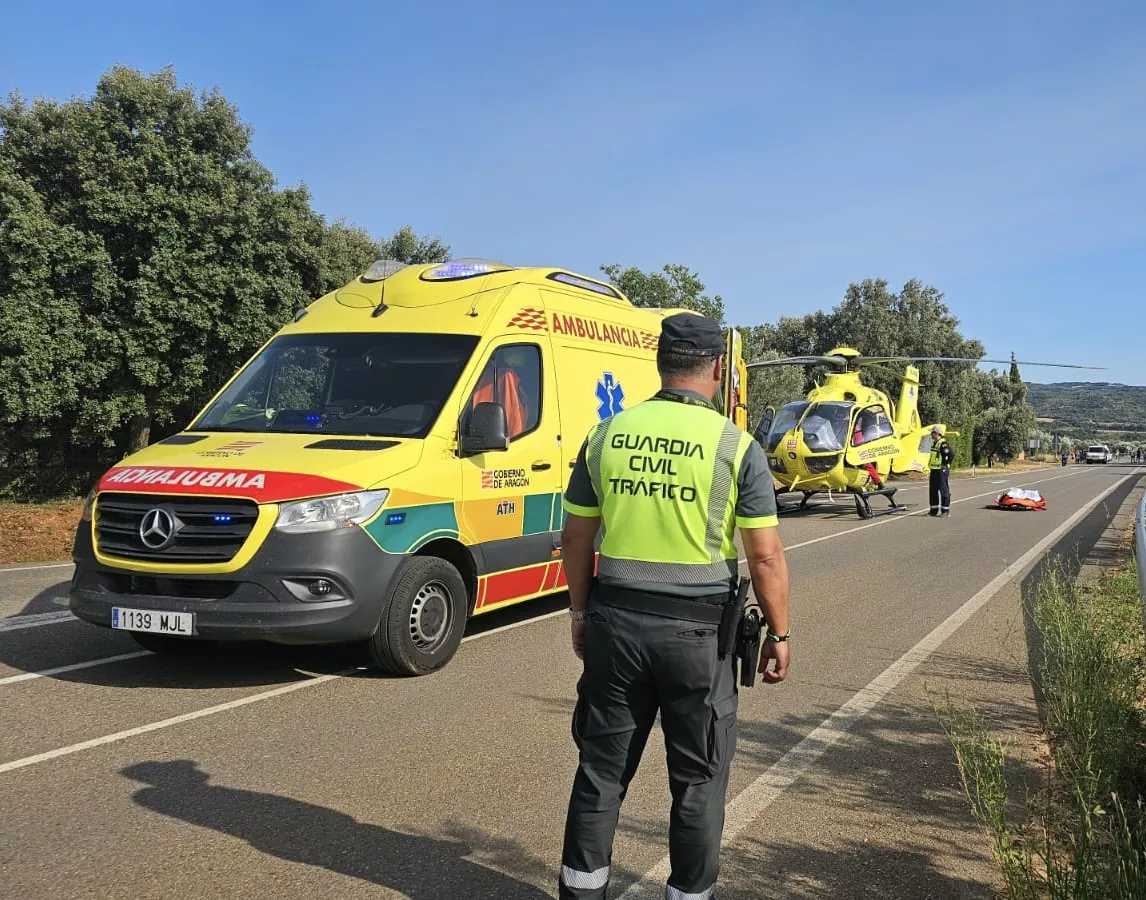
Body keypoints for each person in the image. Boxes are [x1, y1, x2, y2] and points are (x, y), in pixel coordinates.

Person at [556, 312, 791, 900]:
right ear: (717, 368)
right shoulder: (737, 448)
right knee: (697, 781)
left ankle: (582, 892)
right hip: (698, 639)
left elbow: (578, 538)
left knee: (601, 773)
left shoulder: (606, 435)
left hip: (615, 626)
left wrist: (581, 614)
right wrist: (779, 634)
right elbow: (764, 558)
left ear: (660, 364)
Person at [928, 425, 954, 517]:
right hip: (934, 470)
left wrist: (946, 464)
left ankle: (945, 511)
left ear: (937, 433)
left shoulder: (943, 444)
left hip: (941, 470)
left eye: (932, 433)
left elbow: (951, 455)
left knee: (944, 490)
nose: (931, 435)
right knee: (933, 490)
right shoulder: (935, 443)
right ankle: (933, 510)